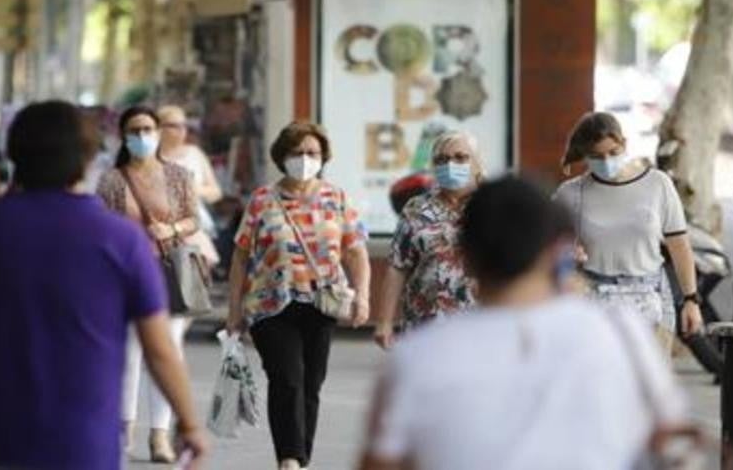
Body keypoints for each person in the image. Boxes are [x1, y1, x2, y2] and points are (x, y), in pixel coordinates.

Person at [0, 101, 208, 470]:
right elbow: (160, 348)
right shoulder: (121, 238)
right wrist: (190, 425)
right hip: (84, 440)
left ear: (14, 155)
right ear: (86, 159)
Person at [360, 176, 691, 470]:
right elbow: (676, 445)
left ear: (464, 256)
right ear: (560, 251)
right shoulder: (622, 335)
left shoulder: (417, 358)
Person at [225, 121, 371, 470]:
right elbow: (241, 256)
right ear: (282, 157)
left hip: (321, 303)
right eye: (297, 153)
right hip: (270, 305)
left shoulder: (335, 198)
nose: (305, 159)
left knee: (310, 385)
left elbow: (355, 251)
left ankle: (300, 457)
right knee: (286, 378)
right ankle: (288, 460)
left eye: (312, 153)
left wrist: (362, 296)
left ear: (322, 158)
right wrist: (234, 311)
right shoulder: (263, 199)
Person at [95, 106, 207, 463]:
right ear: (124, 136)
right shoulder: (112, 179)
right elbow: (99, 226)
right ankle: (123, 430)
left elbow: (193, 221)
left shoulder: (178, 175)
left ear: (158, 133)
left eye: (147, 129)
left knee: (168, 350)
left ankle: (160, 436)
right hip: (123, 275)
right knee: (129, 353)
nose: (142, 136)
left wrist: (171, 229)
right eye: (134, 130)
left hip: (168, 273)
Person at [554, 112, 703, 344]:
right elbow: (544, 246)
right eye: (597, 156)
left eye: (613, 153)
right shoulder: (571, 193)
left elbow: (679, 246)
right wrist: (567, 255)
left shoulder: (657, 184)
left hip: (651, 300)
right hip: (594, 303)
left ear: (624, 144)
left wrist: (691, 300)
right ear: (585, 156)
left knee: (651, 378)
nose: (606, 162)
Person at [373, 132, 483, 349]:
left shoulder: (493, 205)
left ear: (477, 164)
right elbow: (398, 266)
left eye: (460, 157)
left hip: (480, 326)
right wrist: (384, 322)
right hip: (424, 325)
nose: (450, 164)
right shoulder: (416, 208)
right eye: (442, 160)